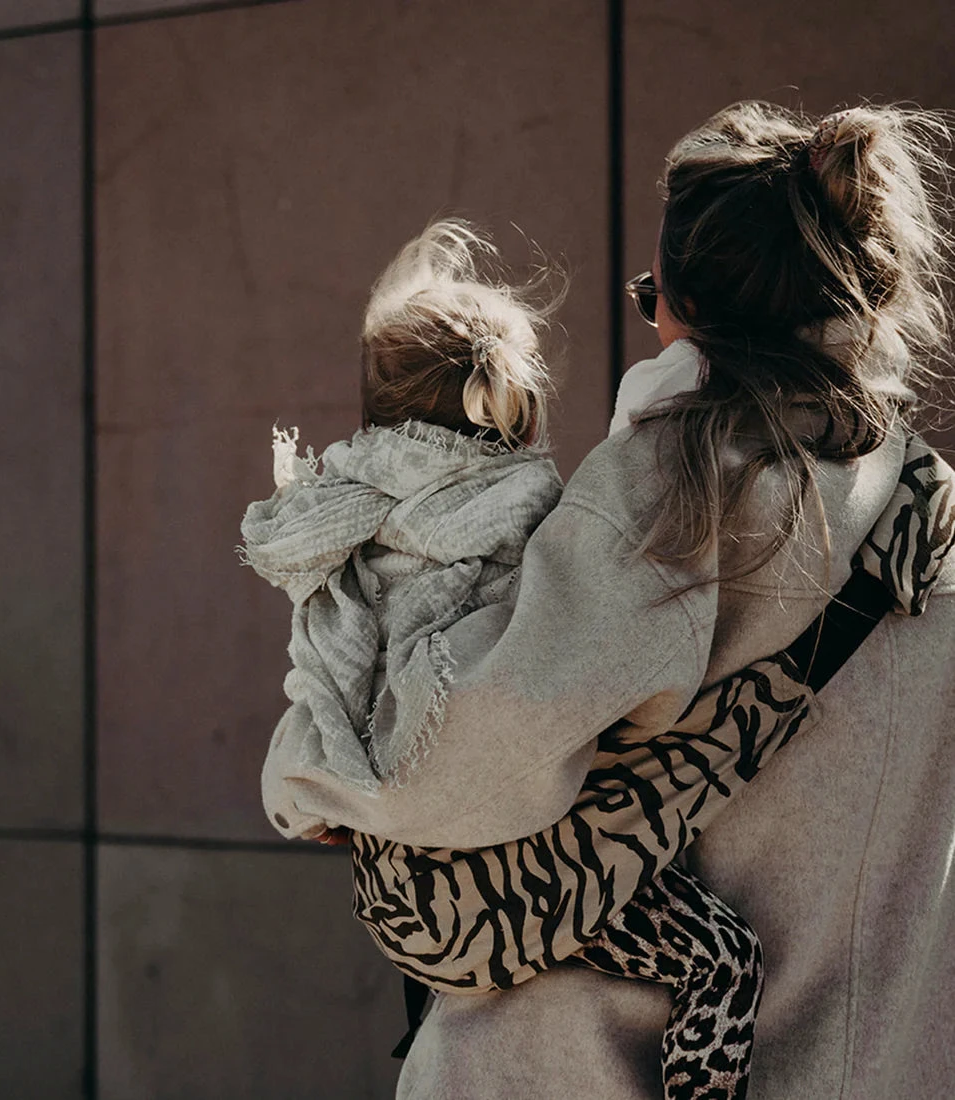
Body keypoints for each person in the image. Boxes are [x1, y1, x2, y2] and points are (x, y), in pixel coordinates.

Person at [256, 100, 955, 1100]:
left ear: (688, 307)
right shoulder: (927, 509)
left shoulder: (677, 492)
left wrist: (307, 780)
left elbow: (438, 762)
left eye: (650, 297)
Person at [243, 218, 795, 1097]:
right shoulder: (533, 515)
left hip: (394, 893)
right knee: (722, 961)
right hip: (502, 875)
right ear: (518, 408)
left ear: (376, 415)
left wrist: (320, 790)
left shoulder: (343, 521)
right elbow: (570, 671)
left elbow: (326, 681)